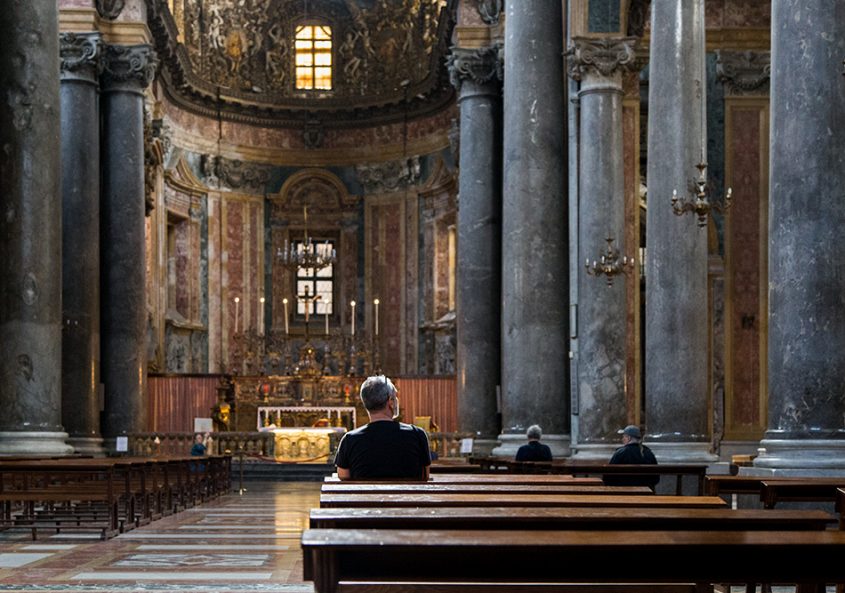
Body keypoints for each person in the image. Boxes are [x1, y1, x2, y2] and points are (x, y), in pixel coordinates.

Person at [334, 375, 431, 480]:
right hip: (407, 496)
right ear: (390, 401)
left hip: (365, 497)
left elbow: (344, 478)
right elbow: (424, 476)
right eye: (395, 397)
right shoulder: (417, 435)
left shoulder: (349, 440)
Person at [604, 424, 659, 490]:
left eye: (624, 437)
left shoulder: (620, 453)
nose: (622, 439)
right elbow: (656, 479)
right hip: (645, 493)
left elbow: (608, 478)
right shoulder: (648, 453)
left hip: (623, 494)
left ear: (629, 438)